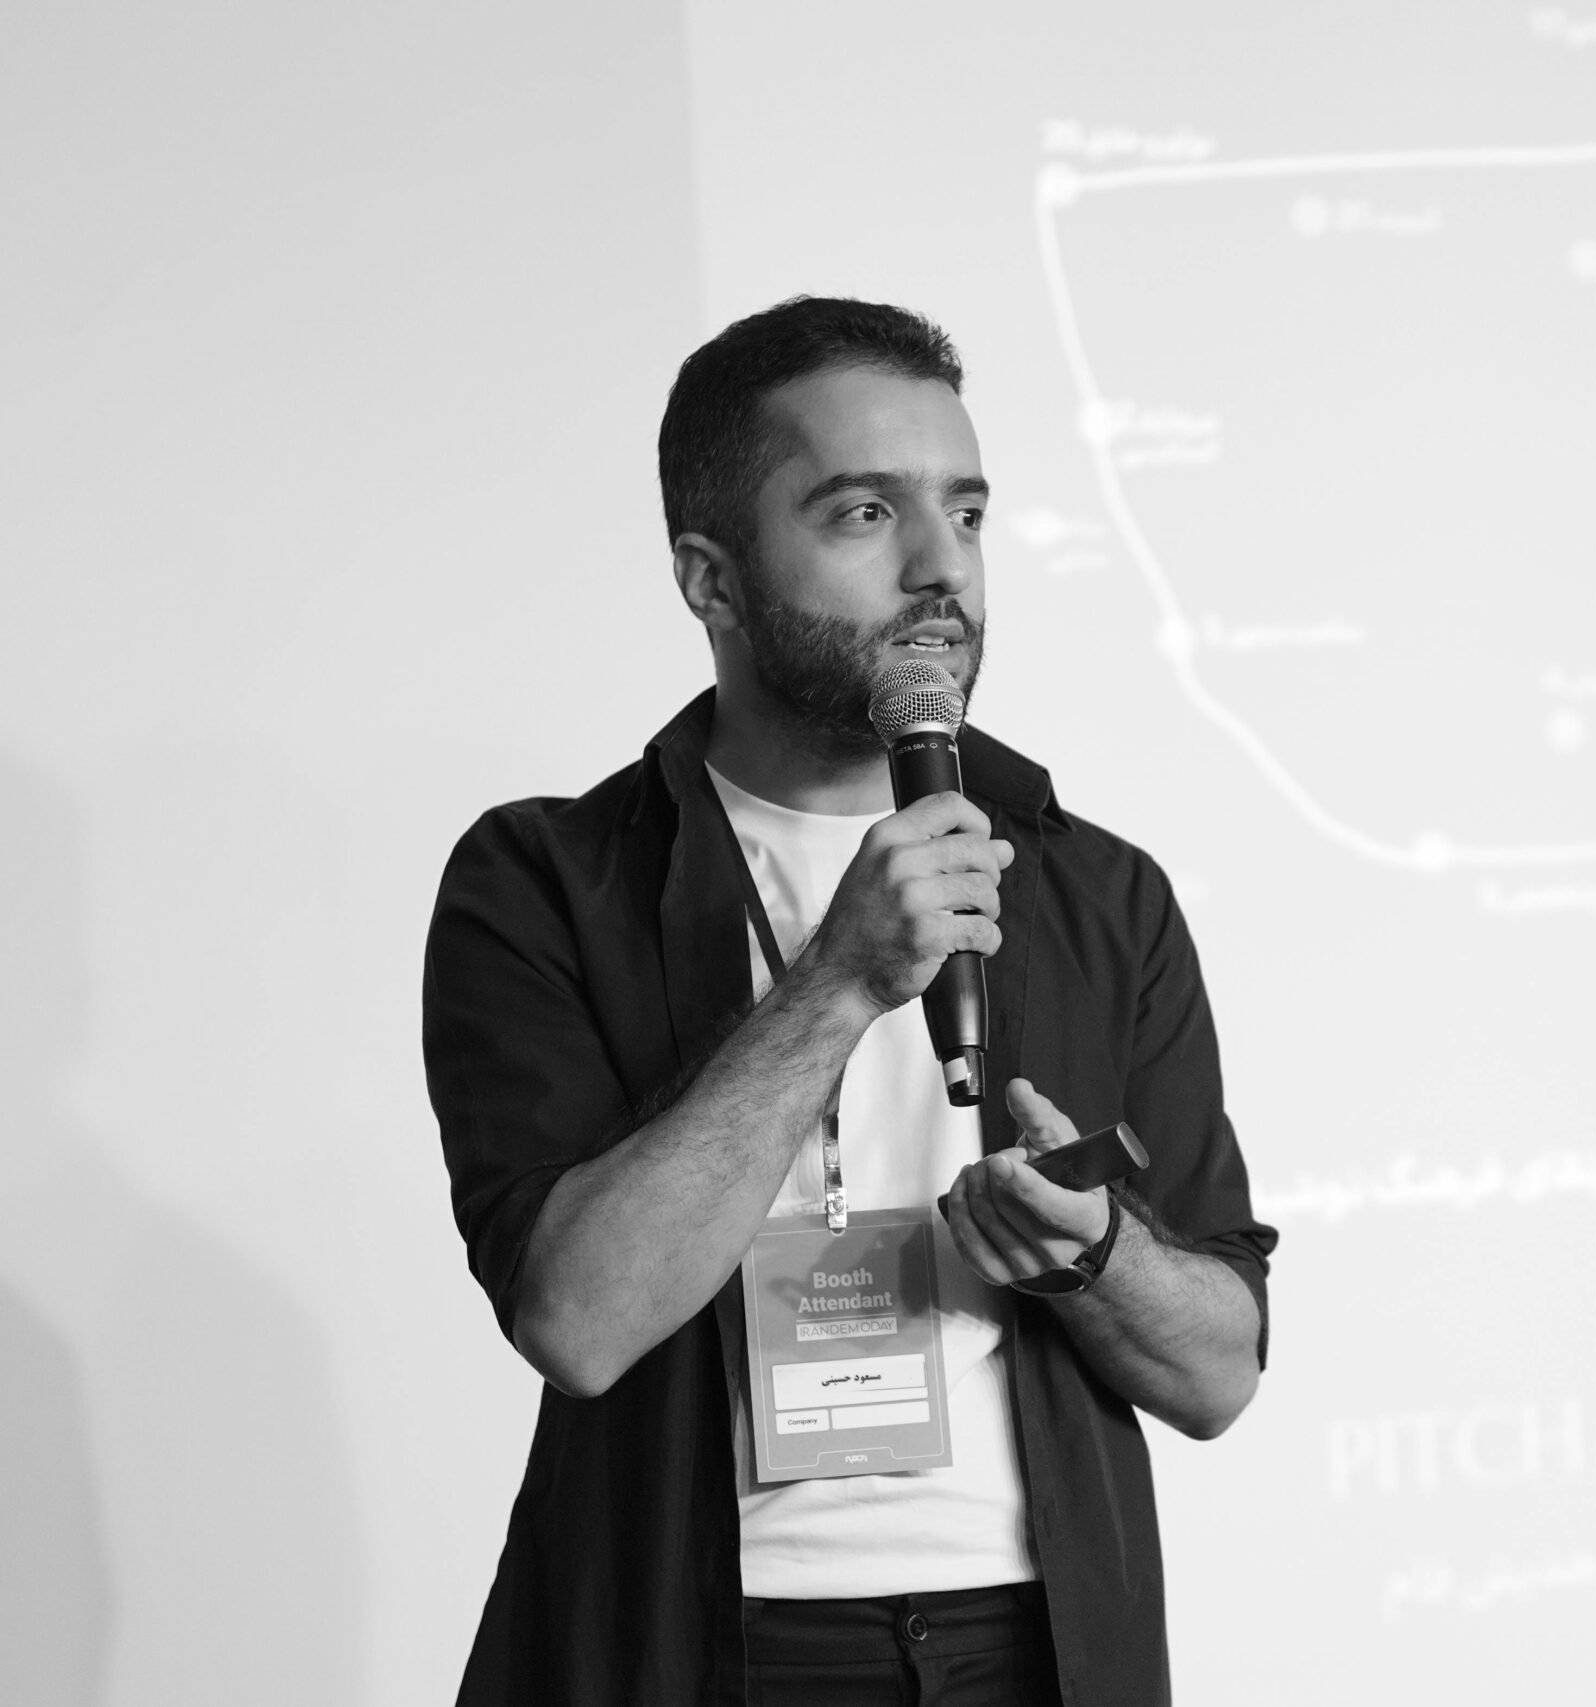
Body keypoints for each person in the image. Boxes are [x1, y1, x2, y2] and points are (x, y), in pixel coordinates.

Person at [422, 296, 1275, 1706]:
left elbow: (1219, 1372)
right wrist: (836, 982)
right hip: (701, 1655)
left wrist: (1091, 1250)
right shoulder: (546, 879)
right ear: (711, 578)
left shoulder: (1096, 890)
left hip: (1037, 1650)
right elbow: (576, 1320)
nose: (941, 569)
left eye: (969, 512)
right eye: (866, 514)